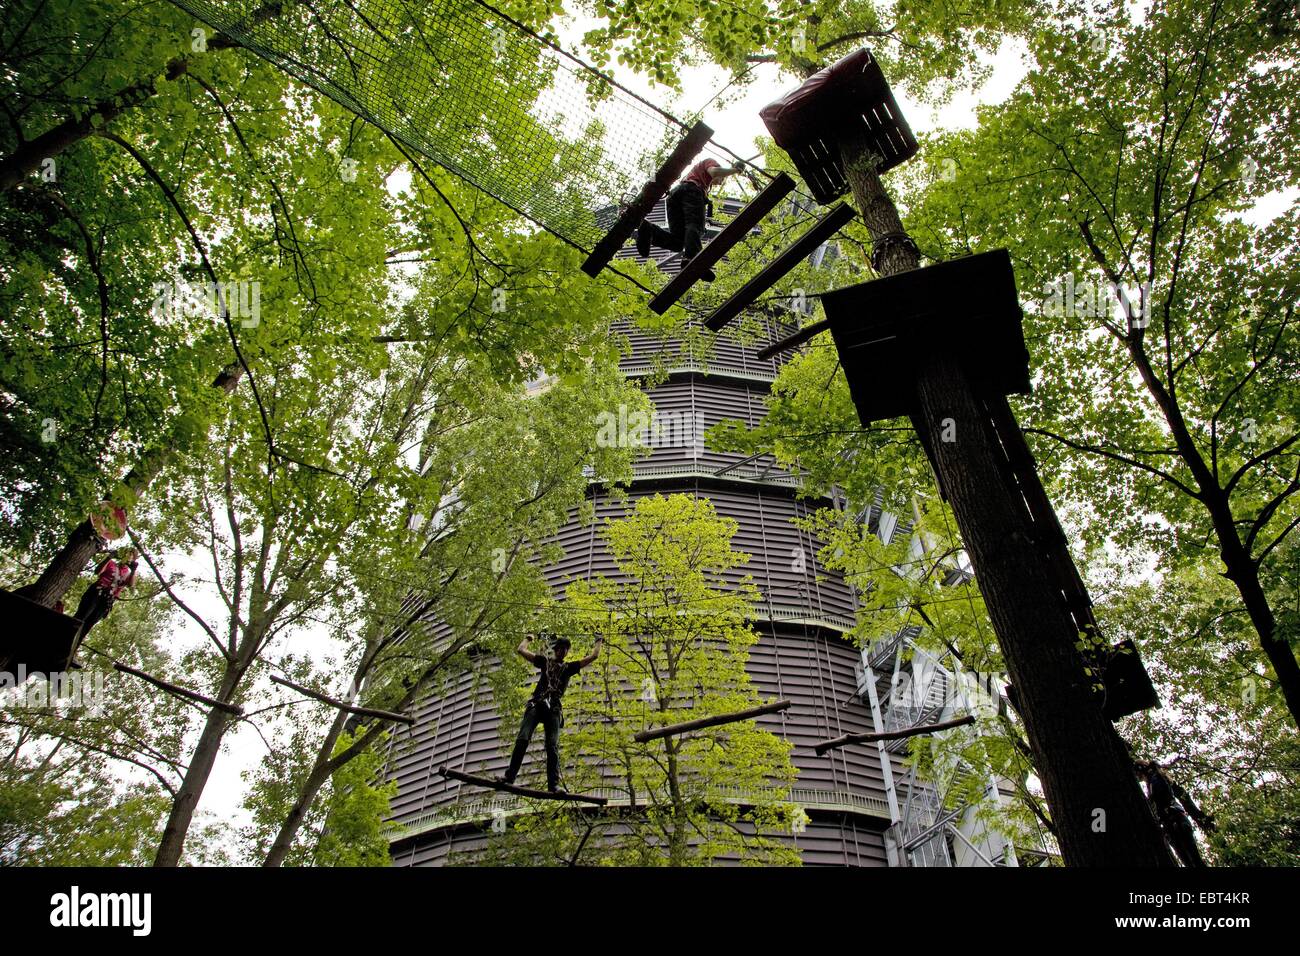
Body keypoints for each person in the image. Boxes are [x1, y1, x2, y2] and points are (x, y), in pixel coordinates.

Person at [500, 632, 603, 793]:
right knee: (523, 738)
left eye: (566, 649)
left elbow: (594, 656)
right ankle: (509, 776)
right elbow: (521, 650)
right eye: (560, 648)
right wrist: (528, 638)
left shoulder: (569, 668)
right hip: (537, 704)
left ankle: (553, 785)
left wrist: (599, 640)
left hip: (553, 709)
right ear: (555, 650)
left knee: (552, 746)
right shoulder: (544, 662)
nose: (563, 652)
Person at [635, 158, 745, 280]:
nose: (720, 182)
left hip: (675, 197)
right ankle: (692, 259)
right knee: (695, 225)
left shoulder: (699, 179)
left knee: (678, 243)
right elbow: (715, 172)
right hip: (691, 191)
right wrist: (734, 170)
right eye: (722, 179)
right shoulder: (709, 164)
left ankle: (648, 229)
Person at [1136, 760, 1214, 867]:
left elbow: (1160, 797)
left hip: (1175, 820)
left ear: (1141, 771)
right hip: (1175, 821)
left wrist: (1152, 804)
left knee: (1193, 860)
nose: (1140, 779)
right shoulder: (1154, 780)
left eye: (1138, 775)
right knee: (1192, 861)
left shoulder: (1155, 779)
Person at [73, 548, 138, 640]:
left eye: (131, 555)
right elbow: (97, 571)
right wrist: (108, 557)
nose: (127, 556)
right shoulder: (111, 563)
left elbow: (130, 585)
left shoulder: (128, 573)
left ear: (133, 559)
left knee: (89, 623)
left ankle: (74, 644)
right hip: (96, 592)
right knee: (81, 616)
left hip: (107, 600)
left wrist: (133, 570)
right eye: (126, 554)